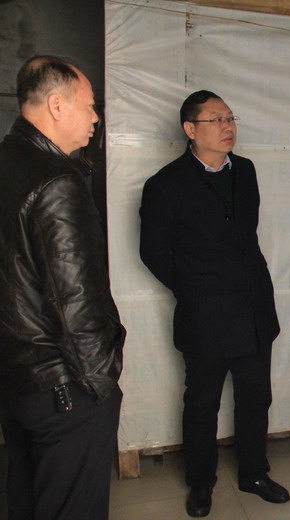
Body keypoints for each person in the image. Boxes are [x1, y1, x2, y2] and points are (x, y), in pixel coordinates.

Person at [139, 90, 288, 517]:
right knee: (202, 404)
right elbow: (153, 252)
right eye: (216, 119)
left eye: (230, 118)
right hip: (205, 315)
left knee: (256, 398)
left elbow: (246, 234)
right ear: (190, 129)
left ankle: (254, 473)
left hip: (254, 308)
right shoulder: (164, 184)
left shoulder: (246, 171)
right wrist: (194, 289)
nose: (227, 126)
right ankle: (201, 482)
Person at [0, 56, 125, 519]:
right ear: (56, 105)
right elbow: (76, 302)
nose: (95, 117)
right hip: (62, 387)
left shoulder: (8, 159)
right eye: (89, 105)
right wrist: (101, 383)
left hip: (16, 379)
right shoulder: (56, 181)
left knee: (27, 497)